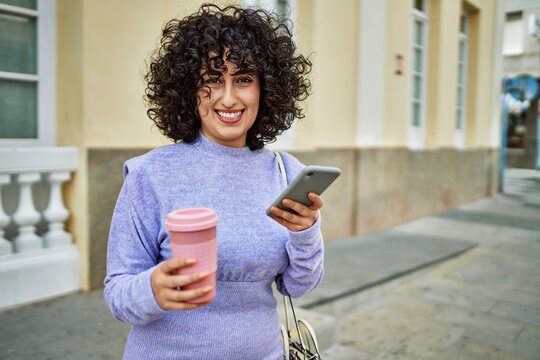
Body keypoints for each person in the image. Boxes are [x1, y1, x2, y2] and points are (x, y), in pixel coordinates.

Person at [104, 4, 324, 359]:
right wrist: (153, 290)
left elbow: (299, 285)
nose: (228, 98)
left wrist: (305, 233)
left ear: (265, 89)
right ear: (188, 89)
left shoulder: (286, 172)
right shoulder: (150, 174)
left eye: (243, 79)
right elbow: (118, 296)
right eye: (211, 80)